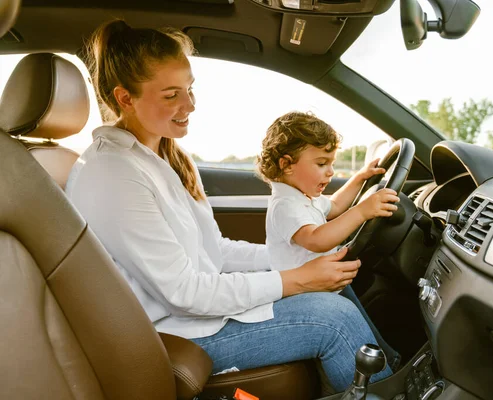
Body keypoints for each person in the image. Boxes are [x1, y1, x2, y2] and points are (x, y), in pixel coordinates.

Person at [65, 19, 393, 393]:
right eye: (171, 95)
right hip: (166, 336)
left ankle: (393, 375)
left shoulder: (160, 157)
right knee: (335, 319)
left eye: (189, 89)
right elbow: (186, 293)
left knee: (331, 284)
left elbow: (213, 251)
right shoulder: (113, 173)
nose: (189, 105)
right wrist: (296, 279)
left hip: (188, 317)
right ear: (125, 98)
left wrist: (289, 260)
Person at [257, 111, 402, 368]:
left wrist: (359, 179)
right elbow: (316, 239)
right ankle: (385, 367)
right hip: (303, 295)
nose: (331, 172)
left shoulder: (303, 197)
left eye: (331, 163)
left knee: (366, 327)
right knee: (360, 331)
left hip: (327, 284)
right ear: (287, 164)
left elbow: (334, 206)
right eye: (322, 163)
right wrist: (362, 211)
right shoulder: (285, 205)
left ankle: (388, 359)